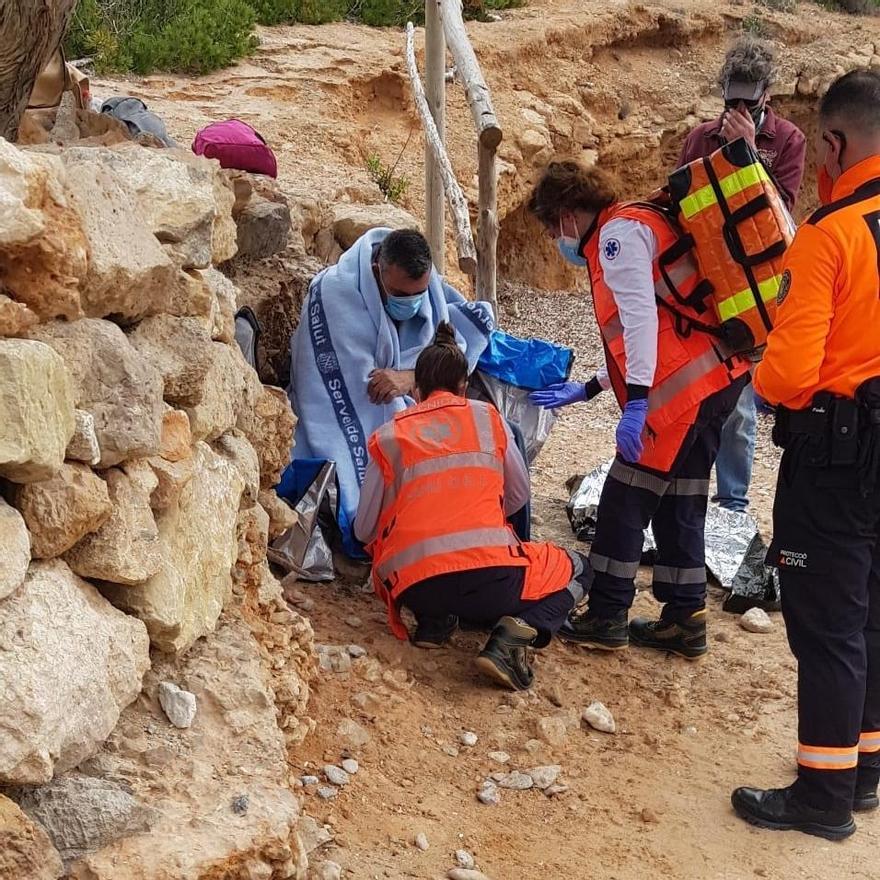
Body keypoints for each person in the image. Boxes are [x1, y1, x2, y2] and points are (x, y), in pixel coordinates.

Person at [731, 69, 880, 842]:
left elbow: (787, 374)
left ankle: (824, 795)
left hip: (836, 453)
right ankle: (865, 767)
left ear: (832, 143)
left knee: (826, 620)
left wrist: (758, 371)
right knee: (874, 609)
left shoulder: (831, 234)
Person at [527, 159, 750, 659]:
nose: (554, 240)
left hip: (679, 395)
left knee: (624, 501)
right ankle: (685, 619)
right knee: (682, 499)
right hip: (718, 377)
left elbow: (641, 323)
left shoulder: (615, 238)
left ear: (566, 214)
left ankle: (607, 614)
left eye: (550, 228)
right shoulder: (637, 220)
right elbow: (668, 327)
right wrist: (592, 387)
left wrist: (640, 403)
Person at [354, 323, 592, 690]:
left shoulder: (388, 437)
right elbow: (518, 495)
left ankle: (435, 622)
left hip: (415, 588)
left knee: (436, 577)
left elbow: (364, 530)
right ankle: (520, 632)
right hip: (490, 581)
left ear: (415, 391)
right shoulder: (487, 418)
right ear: (464, 386)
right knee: (580, 567)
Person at [289, 228, 494, 555]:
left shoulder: (425, 289)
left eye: (420, 293)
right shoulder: (334, 292)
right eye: (399, 294)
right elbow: (358, 388)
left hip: (413, 393)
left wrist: (409, 377)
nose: (412, 303)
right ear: (376, 271)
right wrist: (413, 395)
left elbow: (443, 348)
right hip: (362, 405)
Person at [679, 37, 806, 514]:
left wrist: (747, 153)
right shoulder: (699, 139)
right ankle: (686, 488)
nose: (736, 110)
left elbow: (782, 213)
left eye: (746, 104)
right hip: (709, 282)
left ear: (766, 97)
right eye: (729, 101)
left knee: (740, 406)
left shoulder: (787, 140)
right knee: (696, 393)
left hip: (755, 287)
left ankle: (732, 504)